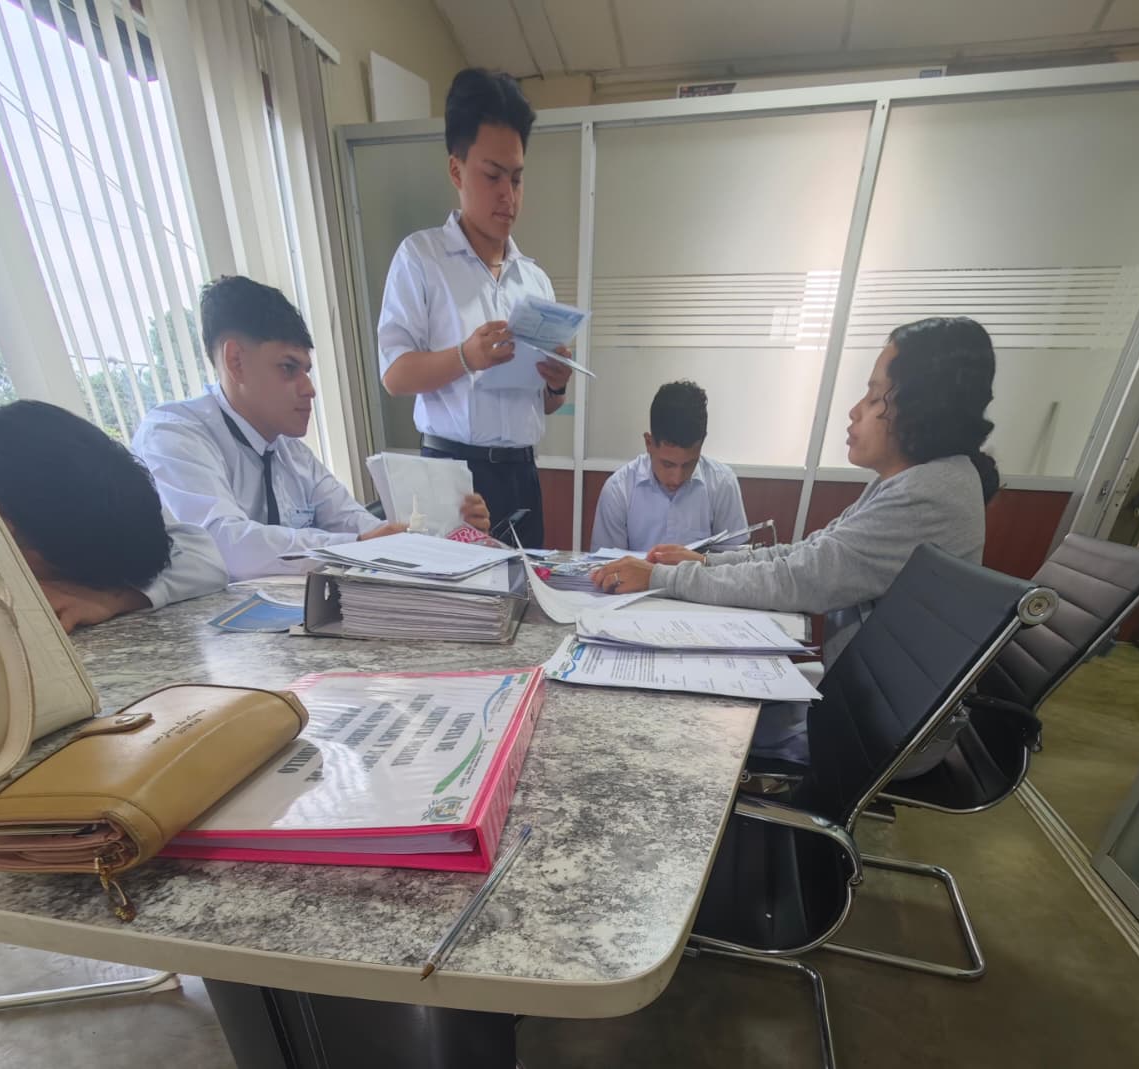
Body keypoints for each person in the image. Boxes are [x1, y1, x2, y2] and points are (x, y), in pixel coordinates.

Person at [591, 317, 1000, 761]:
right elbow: (807, 551)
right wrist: (705, 564)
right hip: (866, 702)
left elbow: (799, 579)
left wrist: (662, 578)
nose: (855, 410)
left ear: (920, 408)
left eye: (873, 397)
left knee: (685, 730)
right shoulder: (912, 483)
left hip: (875, 734)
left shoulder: (925, 495)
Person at [133, 276, 490, 582]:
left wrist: (448, 530)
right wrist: (357, 547)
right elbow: (222, 546)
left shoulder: (290, 452)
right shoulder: (174, 435)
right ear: (235, 361)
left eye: (307, 371)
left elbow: (357, 524)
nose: (309, 389)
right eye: (289, 368)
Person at [376, 68, 572, 549]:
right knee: (459, 595)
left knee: (527, 587)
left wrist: (556, 381)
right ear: (456, 170)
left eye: (517, 178)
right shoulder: (421, 258)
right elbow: (395, 375)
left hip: (522, 473)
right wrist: (466, 356)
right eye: (492, 175)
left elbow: (545, 405)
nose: (508, 195)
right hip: (453, 477)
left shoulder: (533, 279)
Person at [0, 399, 227, 631]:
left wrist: (112, 598)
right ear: (3, 525)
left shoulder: (66, 472)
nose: (70, 587)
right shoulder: (13, 488)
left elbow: (203, 558)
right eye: (65, 577)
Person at [590, 381, 748, 554]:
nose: (677, 478)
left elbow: (736, 562)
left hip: (702, 574)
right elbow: (605, 564)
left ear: (702, 443)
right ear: (649, 443)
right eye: (667, 464)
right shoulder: (618, 489)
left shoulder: (723, 483)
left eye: (689, 464)